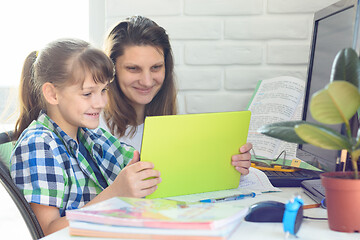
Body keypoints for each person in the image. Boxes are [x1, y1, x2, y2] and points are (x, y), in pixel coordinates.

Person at [10, 39, 161, 236]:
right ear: (52, 94)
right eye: (88, 93)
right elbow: (47, 231)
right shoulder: (39, 145)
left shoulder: (91, 136)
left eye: (104, 90)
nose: (100, 103)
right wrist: (116, 194)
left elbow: (137, 162)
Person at [100, 15, 252, 175]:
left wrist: (231, 165)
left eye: (156, 67)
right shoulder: (95, 127)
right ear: (112, 70)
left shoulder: (170, 121)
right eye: (133, 68)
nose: (147, 81)